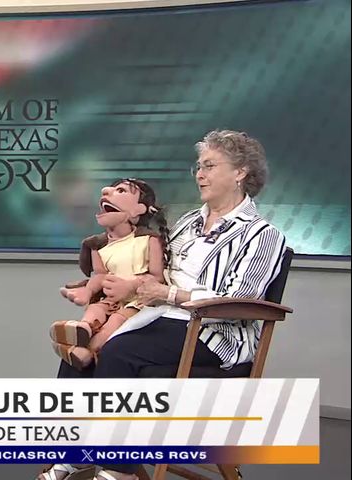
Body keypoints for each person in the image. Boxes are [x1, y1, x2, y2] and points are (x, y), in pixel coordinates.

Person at [38, 130, 287, 480]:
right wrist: (121, 283)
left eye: (210, 166)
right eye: (198, 167)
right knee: (81, 350)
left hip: (213, 334)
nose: (200, 175)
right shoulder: (187, 224)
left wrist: (167, 294)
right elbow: (153, 270)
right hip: (157, 316)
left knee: (119, 351)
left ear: (240, 172)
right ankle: (75, 452)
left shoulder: (261, 235)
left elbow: (239, 299)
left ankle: (118, 469)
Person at [50, 178, 167, 369]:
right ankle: (83, 329)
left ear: (138, 209)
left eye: (121, 191)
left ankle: (87, 352)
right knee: (95, 309)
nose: (105, 191)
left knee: (115, 321)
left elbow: (157, 277)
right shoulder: (97, 245)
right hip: (110, 299)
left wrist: (131, 285)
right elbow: (99, 275)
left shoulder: (148, 240)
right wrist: (88, 291)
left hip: (138, 301)